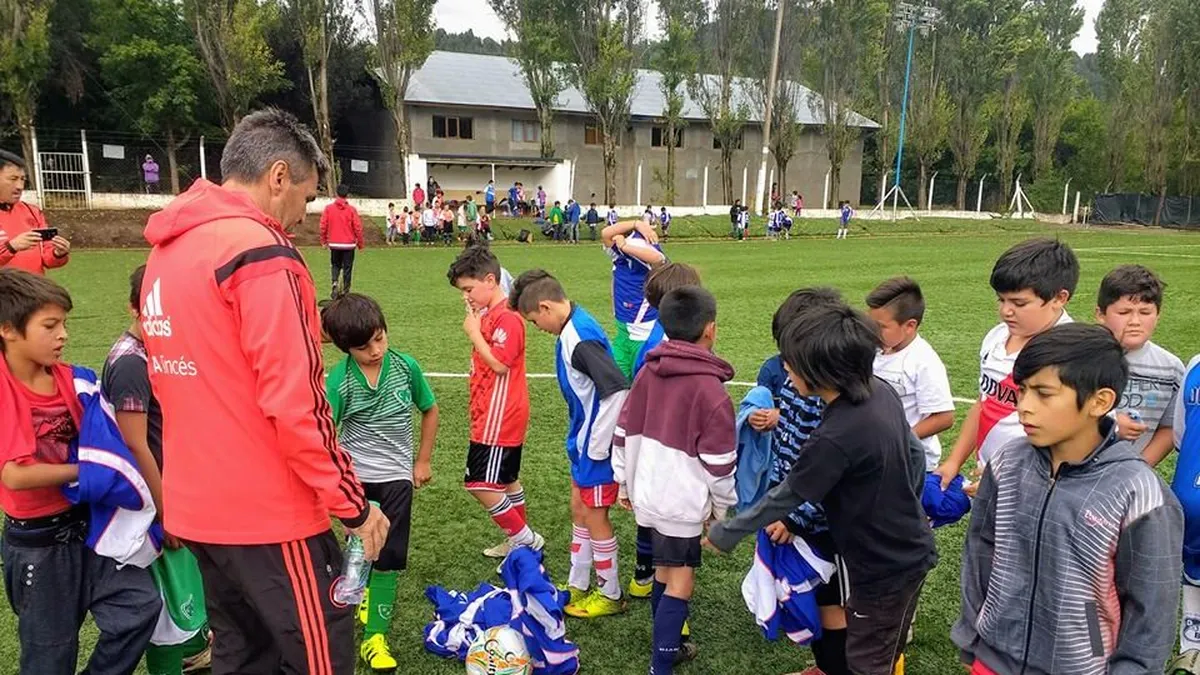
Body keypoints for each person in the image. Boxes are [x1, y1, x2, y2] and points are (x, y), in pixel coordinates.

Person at [141, 108, 388, 674]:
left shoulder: (165, 252)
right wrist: (352, 507)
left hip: (199, 511)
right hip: (269, 516)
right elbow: (297, 403)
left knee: (242, 655)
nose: (303, 217)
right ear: (278, 176)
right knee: (318, 658)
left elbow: (172, 384)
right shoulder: (261, 253)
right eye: (306, 196)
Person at [707, 303, 937, 675]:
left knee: (865, 661)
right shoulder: (879, 391)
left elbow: (788, 496)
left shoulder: (834, 437)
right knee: (872, 642)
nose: (784, 368)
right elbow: (913, 456)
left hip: (883, 566)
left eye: (791, 362)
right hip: (903, 550)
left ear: (820, 373)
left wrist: (727, 532)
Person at [953, 323, 1183, 675]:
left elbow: (1151, 610)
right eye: (1022, 391)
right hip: (993, 659)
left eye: (1044, 394)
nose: (1024, 408)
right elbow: (981, 549)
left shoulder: (1139, 492)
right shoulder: (1007, 463)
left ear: (1100, 401)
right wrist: (973, 634)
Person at [0, 268, 162, 675]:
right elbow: (15, 475)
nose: (63, 335)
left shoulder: (71, 380)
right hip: (39, 544)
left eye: (65, 324)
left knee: (139, 605)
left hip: (89, 529)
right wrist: (87, 471)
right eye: (50, 326)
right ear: (8, 329)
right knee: (51, 653)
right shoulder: (6, 389)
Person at [614, 286, 737, 675]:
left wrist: (623, 483)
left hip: (646, 495)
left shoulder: (647, 372)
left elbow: (622, 430)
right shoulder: (712, 391)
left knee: (662, 574)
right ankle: (661, 665)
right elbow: (720, 465)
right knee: (680, 583)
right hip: (680, 504)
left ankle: (670, 646)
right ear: (711, 329)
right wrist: (721, 510)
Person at [102, 265, 213, 675]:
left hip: (174, 490)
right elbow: (135, 443)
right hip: (154, 502)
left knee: (183, 596)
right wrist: (167, 512)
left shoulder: (159, 352)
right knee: (166, 611)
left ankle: (193, 652)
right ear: (135, 307)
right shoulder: (131, 362)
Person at [322, 293, 439, 673]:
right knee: (356, 554)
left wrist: (422, 460)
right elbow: (326, 435)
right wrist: (338, 486)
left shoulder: (406, 368)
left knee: (387, 559)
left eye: (380, 338)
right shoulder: (339, 381)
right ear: (345, 348)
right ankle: (359, 602)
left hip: (396, 480)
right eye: (363, 346)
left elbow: (429, 408)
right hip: (356, 484)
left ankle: (375, 638)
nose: (375, 349)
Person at [510, 270, 629, 618]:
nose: (537, 328)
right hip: (583, 441)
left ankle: (610, 592)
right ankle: (577, 583)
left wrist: (596, 446)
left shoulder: (578, 337)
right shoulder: (571, 329)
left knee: (595, 515)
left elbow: (618, 389)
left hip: (596, 447)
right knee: (580, 509)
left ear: (546, 307)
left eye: (534, 321)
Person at [752, 288, 847, 675]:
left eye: (791, 357)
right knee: (816, 600)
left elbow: (829, 473)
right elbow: (788, 450)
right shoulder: (795, 386)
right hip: (798, 514)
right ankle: (823, 666)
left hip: (830, 525)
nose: (784, 366)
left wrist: (796, 517)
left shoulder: (838, 406)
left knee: (836, 606)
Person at [935, 238, 1078, 491]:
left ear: (1059, 298)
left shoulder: (1072, 353)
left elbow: (1074, 437)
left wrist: (1011, 477)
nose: (1006, 311)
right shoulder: (996, 337)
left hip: (1036, 489)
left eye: (1019, 303)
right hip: (988, 480)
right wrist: (954, 461)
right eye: (1001, 300)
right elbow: (983, 404)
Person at [446, 246, 541, 559]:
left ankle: (525, 538)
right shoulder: (490, 313)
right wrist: (476, 318)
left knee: (479, 482)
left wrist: (474, 333)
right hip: (490, 410)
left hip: (499, 415)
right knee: (507, 480)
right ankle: (518, 543)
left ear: (490, 280)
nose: (466, 297)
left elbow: (500, 365)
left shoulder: (509, 319)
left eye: (469, 289)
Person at [1094, 265, 1184, 465]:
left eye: (1145, 312)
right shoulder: (1080, 357)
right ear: (1100, 314)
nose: (1135, 321)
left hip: (1131, 475)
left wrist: (1140, 465)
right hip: (1075, 472)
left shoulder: (1171, 369)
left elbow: (1169, 427)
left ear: (1158, 315)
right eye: (1124, 312)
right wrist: (1110, 424)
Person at [866, 277, 955, 475]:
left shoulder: (923, 361)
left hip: (908, 462)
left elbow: (944, 417)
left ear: (909, 326)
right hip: (876, 453)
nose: (872, 331)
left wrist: (901, 439)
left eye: (881, 326)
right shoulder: (874, 349)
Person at [601, 216, 666, 380]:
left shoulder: (637, 251)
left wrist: (626, 247)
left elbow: (658, 259)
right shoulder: (619, 254)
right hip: (623, 331)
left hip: (643, 334)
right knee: (618, 384)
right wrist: (636, 223)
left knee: (643, 387)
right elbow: (606, 233)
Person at [0, 149, 71, 274]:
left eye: (22, 179)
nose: (20, 186)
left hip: (32, 291)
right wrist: (11, 247)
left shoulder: (32, 211)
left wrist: (58, 253)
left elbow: (47, 256)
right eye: (13, 179)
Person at [320, 183, 365, 298]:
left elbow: (323, 225)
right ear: (347, 195)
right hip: (349, 244)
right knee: (347, 267)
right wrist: (360, 243)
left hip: (334, 243)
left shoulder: (329, 209)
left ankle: (334, 283)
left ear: (337, 193)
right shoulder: (351, 210)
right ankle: (346, 290)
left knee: (335, 265)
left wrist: (324, 240)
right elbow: (357, 227)